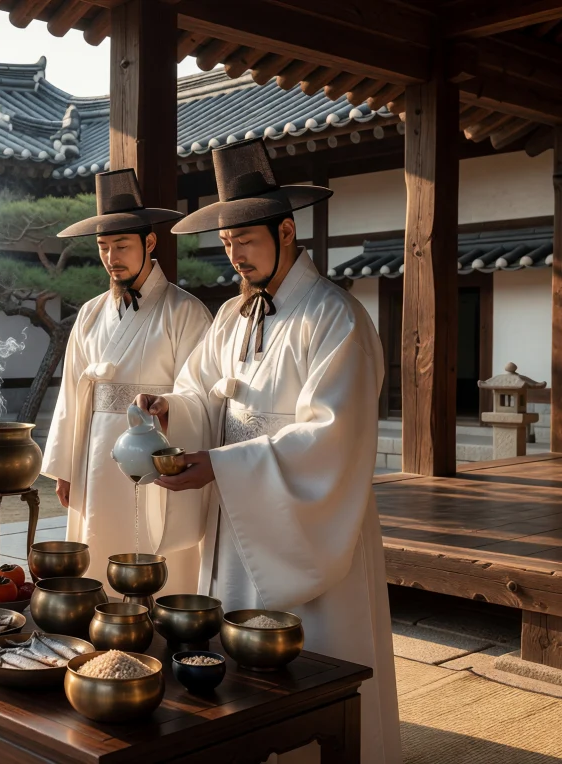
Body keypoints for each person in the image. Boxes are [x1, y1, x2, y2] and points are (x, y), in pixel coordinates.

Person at [137, 138, 400, 763]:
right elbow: (200, 388)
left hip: (303, 518)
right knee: (231, 652)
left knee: (312, 651)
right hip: (237, 509)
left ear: (286, 232)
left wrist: (224, 465)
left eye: (246, 241)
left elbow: (333, 435)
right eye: (227, 243)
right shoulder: (232, 315)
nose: (235, 256)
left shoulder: (336, 317)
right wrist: (172, 409)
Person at [41, 169, 213, 596]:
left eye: (121, 245)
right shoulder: (90, 313)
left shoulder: (185, 311)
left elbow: (201, 392)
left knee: (157, 551)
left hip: (154, 451)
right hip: (97, 456)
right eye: (103, 247)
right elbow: (71, 394)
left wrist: (169, 408)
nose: (111, 257)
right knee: (99, 544)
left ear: (149, 243)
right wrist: (66, 467)